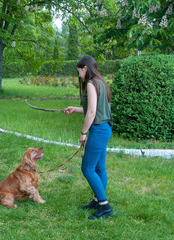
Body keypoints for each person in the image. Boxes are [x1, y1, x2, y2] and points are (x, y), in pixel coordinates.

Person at [64, 55, 113, 220]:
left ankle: (104, 206)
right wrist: (75, 109)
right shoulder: (101, 82)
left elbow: (92, 113)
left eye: (79, 71)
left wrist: (83, 133)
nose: (79, 75)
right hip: (105, 128)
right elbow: (94, 109)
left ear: (85, 68)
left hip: (98, 131)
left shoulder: (91, 84)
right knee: (99, 168)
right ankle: (97, 200)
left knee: (87, 169)